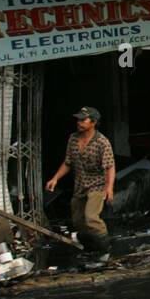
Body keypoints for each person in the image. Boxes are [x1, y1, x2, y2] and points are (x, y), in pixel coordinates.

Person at [46, 106, 115, 257]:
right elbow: (68, 162)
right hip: (80, 185)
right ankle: (90, 248)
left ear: (94, 122)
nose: (79, 122)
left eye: (83, 120)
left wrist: (109, 188)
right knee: (78, 220)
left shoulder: (102, 142)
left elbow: (110, 167)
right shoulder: (73, 138)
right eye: (78, 119)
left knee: (91, 218)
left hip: (97, 185)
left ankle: (105, 250)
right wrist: (55, 178)